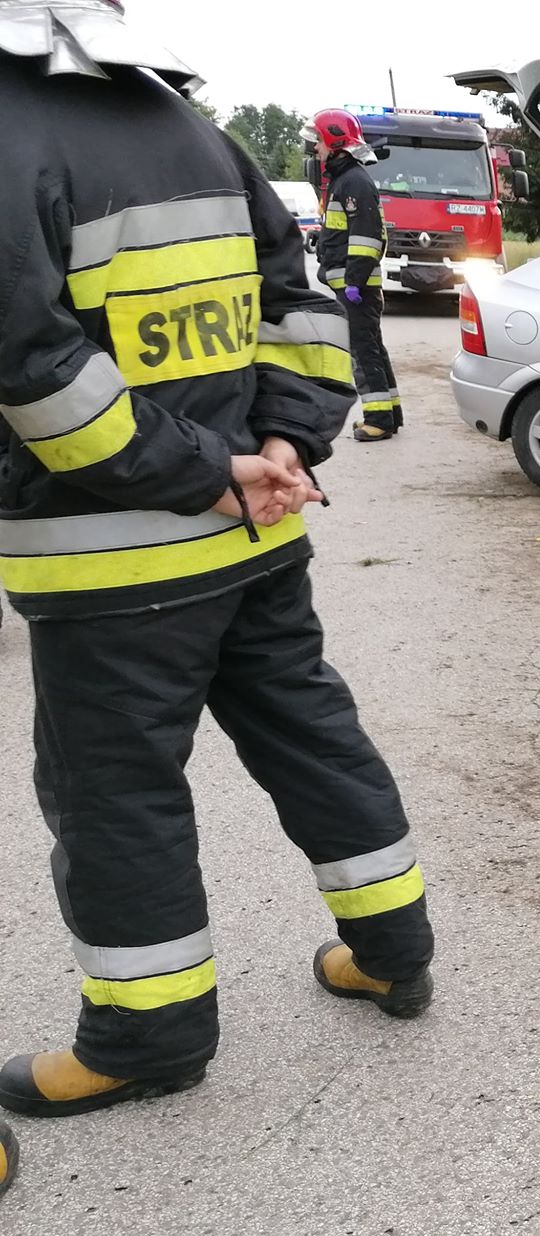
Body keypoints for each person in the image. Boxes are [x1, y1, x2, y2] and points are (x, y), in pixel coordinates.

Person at [0, 0, 437, 1121]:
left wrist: (200, 470)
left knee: (115, 795)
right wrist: (283, 444)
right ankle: (393, 950)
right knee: (309, 729)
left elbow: (36, 370)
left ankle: (146, 1036)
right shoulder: (193, 126)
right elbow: (300, 302)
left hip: (112, 560)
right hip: (259, 529)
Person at [313, 109, 401, 441]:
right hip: (353, 283)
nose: (316, 149)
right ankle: (390, 413)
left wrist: (354, 281)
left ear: (335, 143)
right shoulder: (345, 179)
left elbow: (366, 237)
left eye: (319, 142)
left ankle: (378, 420)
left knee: (363, 352)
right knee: (372, 347)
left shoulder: (353, 181)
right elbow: (343, 230)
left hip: (357, 287)